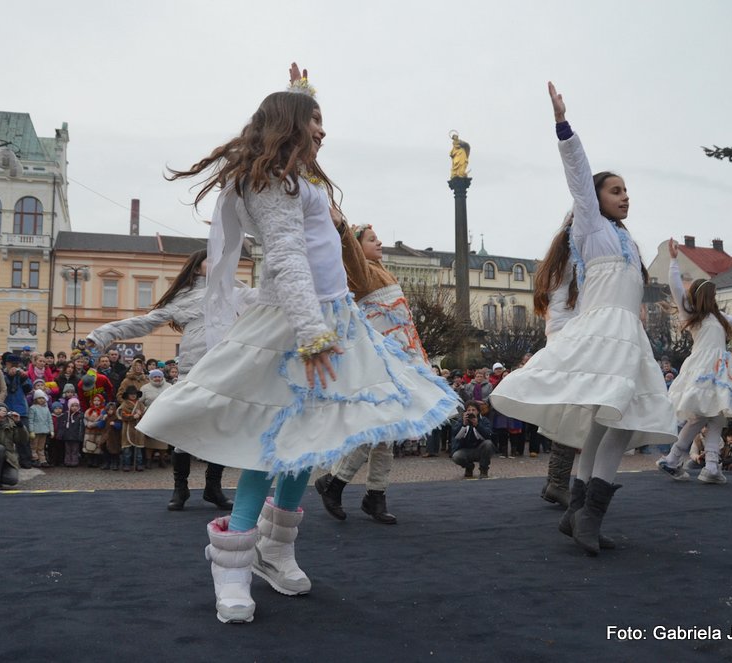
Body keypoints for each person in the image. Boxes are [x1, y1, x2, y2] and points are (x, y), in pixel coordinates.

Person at [136, 64, 457, 624]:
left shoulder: (299, 181)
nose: (323, 130)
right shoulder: (271, 183)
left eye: (322, 120)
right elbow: (285, 257)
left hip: (331, 319)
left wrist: (303, 92)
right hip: (293, 326)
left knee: (309, 442)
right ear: (289, 125)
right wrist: (312, 334)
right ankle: (232, 566)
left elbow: (316, 250)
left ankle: (275, 549)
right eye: (314, 120)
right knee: (268, 447)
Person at [489, 82, 677, 556]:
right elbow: (578, 172)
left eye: (627, 190)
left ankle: (579, 512)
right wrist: (563, 126)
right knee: (615, 421)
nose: (625, 196)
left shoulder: (627, 240)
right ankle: (586, 514)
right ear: (594, 200)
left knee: (607, 423)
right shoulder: (592, 229)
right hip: (604, 333)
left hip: (627, 336)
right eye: (616, 190)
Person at [315, 214, 451, 525]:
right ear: (355, 248)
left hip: (400, 358)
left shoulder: (381, 271)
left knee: (388, 430)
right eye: (371, 239)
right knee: (380, 426)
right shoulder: (358, 273)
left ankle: (372, 493)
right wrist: (343, 231)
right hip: (381, 362)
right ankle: (336, 483)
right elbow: (351, 257)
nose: (379, 242)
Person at [88, 249, 246, 510]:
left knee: (220, 429)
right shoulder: (184, 298)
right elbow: (145, 323)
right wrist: (104, 334)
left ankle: (213, 488)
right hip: (194, 371)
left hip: (225, 369)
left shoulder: (234, 291)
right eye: (210, 259)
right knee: (184, 429)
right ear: (196, 267)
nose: (217, 262)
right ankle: (180, 488)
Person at [655, 239, 732, 484]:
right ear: (707, 296)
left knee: (716, 415)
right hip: (705, 368)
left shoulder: (715, 316)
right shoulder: (694, 315)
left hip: (718, 368)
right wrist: (674, 261)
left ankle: (705, 465)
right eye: (714, 294)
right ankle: (688, 461)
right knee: (703, 415)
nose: (716, 298)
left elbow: (728, 317)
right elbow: (677, 289)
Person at [530, 213, 580, 508]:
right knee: (573, 411)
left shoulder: (556, 260)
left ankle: (555, 481)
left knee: (570, 410)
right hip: (573, 336)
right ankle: (559, 482)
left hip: (561, 336)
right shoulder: (574, 258)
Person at [450, 401, 494, 478]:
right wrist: (463, 424)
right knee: (456, 456)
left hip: (480, 449)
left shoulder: (484, 420)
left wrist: (477, 425)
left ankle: (484, 469)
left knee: (488, 444)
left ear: (478, 411)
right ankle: (469, 467)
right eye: (469, 410)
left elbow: (488, 435)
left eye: (473, 410)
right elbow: (455, 435)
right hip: (465, 450)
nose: (471, 412)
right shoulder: (461, 421)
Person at [27, 390, 53, 468]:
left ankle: (42, 460)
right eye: (39, 398)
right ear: (35, 399)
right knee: (34, 446)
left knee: (41, 447)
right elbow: (30, 420)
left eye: (43, 398)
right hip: (36, 431)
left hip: (44, 431)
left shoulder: (46, 409)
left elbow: (49, 420)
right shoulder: (33, 408)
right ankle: (35, 459)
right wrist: (31, 431)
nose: (41, 400)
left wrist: (51, 430)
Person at [57, 398, 84, 468]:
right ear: (69, 406)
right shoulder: (66, 415)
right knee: (68, 450)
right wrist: (60, 434)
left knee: (75, 450)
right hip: (67, 436)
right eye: (72, 406)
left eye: (76, 406)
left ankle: (74, 462)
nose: (74, 407)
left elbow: (81, 427)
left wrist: (81, 436)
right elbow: (62, 426)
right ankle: (67, 461)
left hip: (76, 436)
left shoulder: (80, 415)